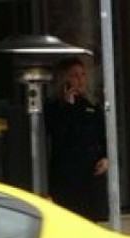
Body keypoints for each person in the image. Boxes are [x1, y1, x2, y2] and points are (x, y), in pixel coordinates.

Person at [46, 58, 108, 221]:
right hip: (67, 177)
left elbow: (103, 137)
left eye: (83, 75)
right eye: (74, 76)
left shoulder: (91, 107)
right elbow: (58, 134)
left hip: (91, 175)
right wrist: (68, 105)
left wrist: (106, 158)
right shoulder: (55, 107)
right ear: (64, 79)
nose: (80, 80)